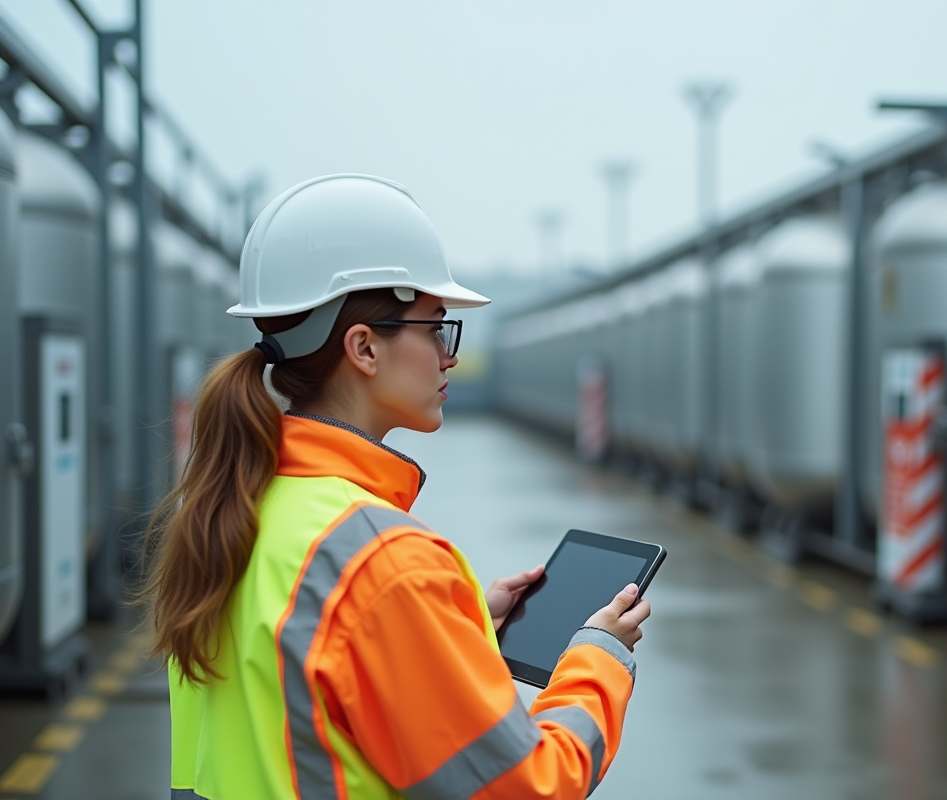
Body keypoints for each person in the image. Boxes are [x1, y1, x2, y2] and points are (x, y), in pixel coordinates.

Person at [139, 174, 651, 800]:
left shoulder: (235, 509)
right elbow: (531, 786)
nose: (448, 355)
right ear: (364, 348)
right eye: (436, 328)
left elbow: (307, 697)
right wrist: (597, 657)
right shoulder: (383, 563)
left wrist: (459, 630)